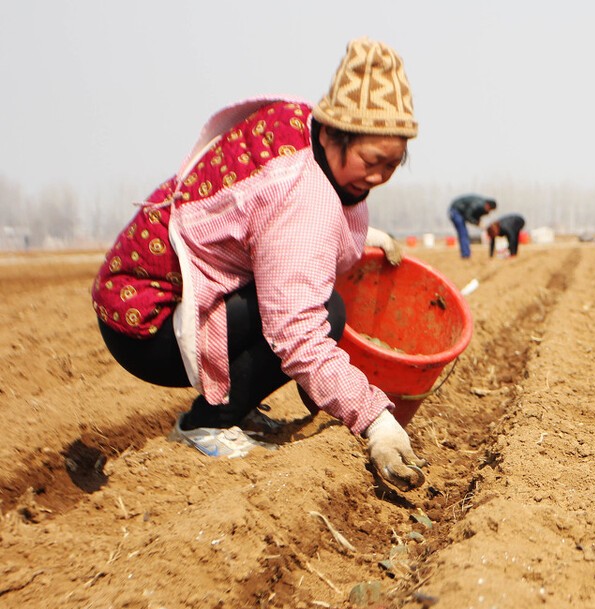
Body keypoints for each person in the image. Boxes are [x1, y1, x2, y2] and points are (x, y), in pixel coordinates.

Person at [90, 38, 427, 491]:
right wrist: (374, 419)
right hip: (145, 323)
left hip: (169, 294)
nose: (379, 177)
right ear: (332, 133)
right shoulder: (299, 196)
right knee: (321, 315)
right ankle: (205, 424)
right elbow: (297, 333)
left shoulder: (302, 132)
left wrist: (365, 235)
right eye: (371, 161)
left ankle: (234, 404)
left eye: (392, 164)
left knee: (324, 307)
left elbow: (280, 226)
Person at [448, 194, 497, 259]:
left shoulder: (481, 206)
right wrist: (477, 223)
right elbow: (468, 215)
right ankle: (466, 254)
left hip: (460, 212)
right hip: (456, 210)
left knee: (464, 233)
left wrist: (478, 222)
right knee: (463, 233)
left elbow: (475, 215)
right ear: (488, 206)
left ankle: (466, 253)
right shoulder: (478, 205)